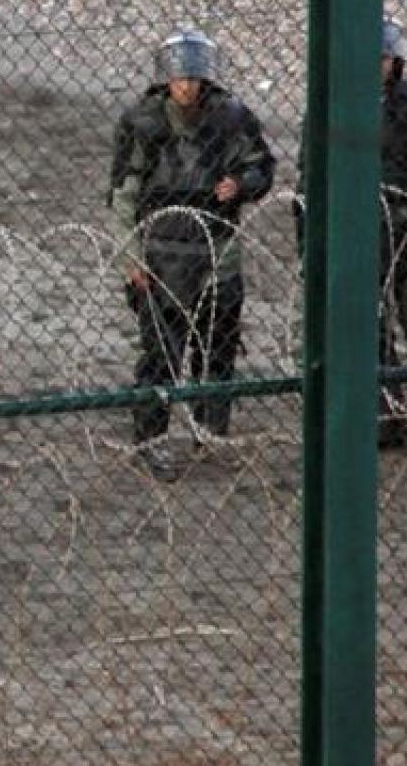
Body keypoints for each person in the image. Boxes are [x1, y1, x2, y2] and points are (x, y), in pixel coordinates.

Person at [108, 29, 276, 482]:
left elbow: (262, 166)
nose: (187, 87)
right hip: (161, 252)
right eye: (180, 78)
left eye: (194, 78)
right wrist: (131, 258)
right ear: (167, 80)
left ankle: (212, 433)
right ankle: (151, 438)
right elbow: (122, 196)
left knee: (218, 349)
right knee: (161, 353)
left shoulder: (231, 119)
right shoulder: (143, 124)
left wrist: (240, 185)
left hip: (218, 248)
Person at [294, 18, 407, 449]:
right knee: (366, 327)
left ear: (396, 62)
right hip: (354, 234)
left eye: (384, 58)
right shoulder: (330, 104)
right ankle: (383, 414)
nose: (377, 66)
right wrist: (310, 247)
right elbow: (309, 183)